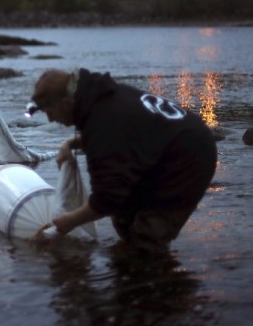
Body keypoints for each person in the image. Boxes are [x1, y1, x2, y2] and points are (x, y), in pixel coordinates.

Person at [29, 68, 217, 253]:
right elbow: (122, 136)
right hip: (168, 144)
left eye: (49, 111)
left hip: (190, 157)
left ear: (64, 103)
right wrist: (70, 143)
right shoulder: (100, 99)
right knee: (124, 217)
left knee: (147, 238)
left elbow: (106, 199)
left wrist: (69, 221)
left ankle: (153, 275)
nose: (50, 119)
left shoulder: (104, 118)